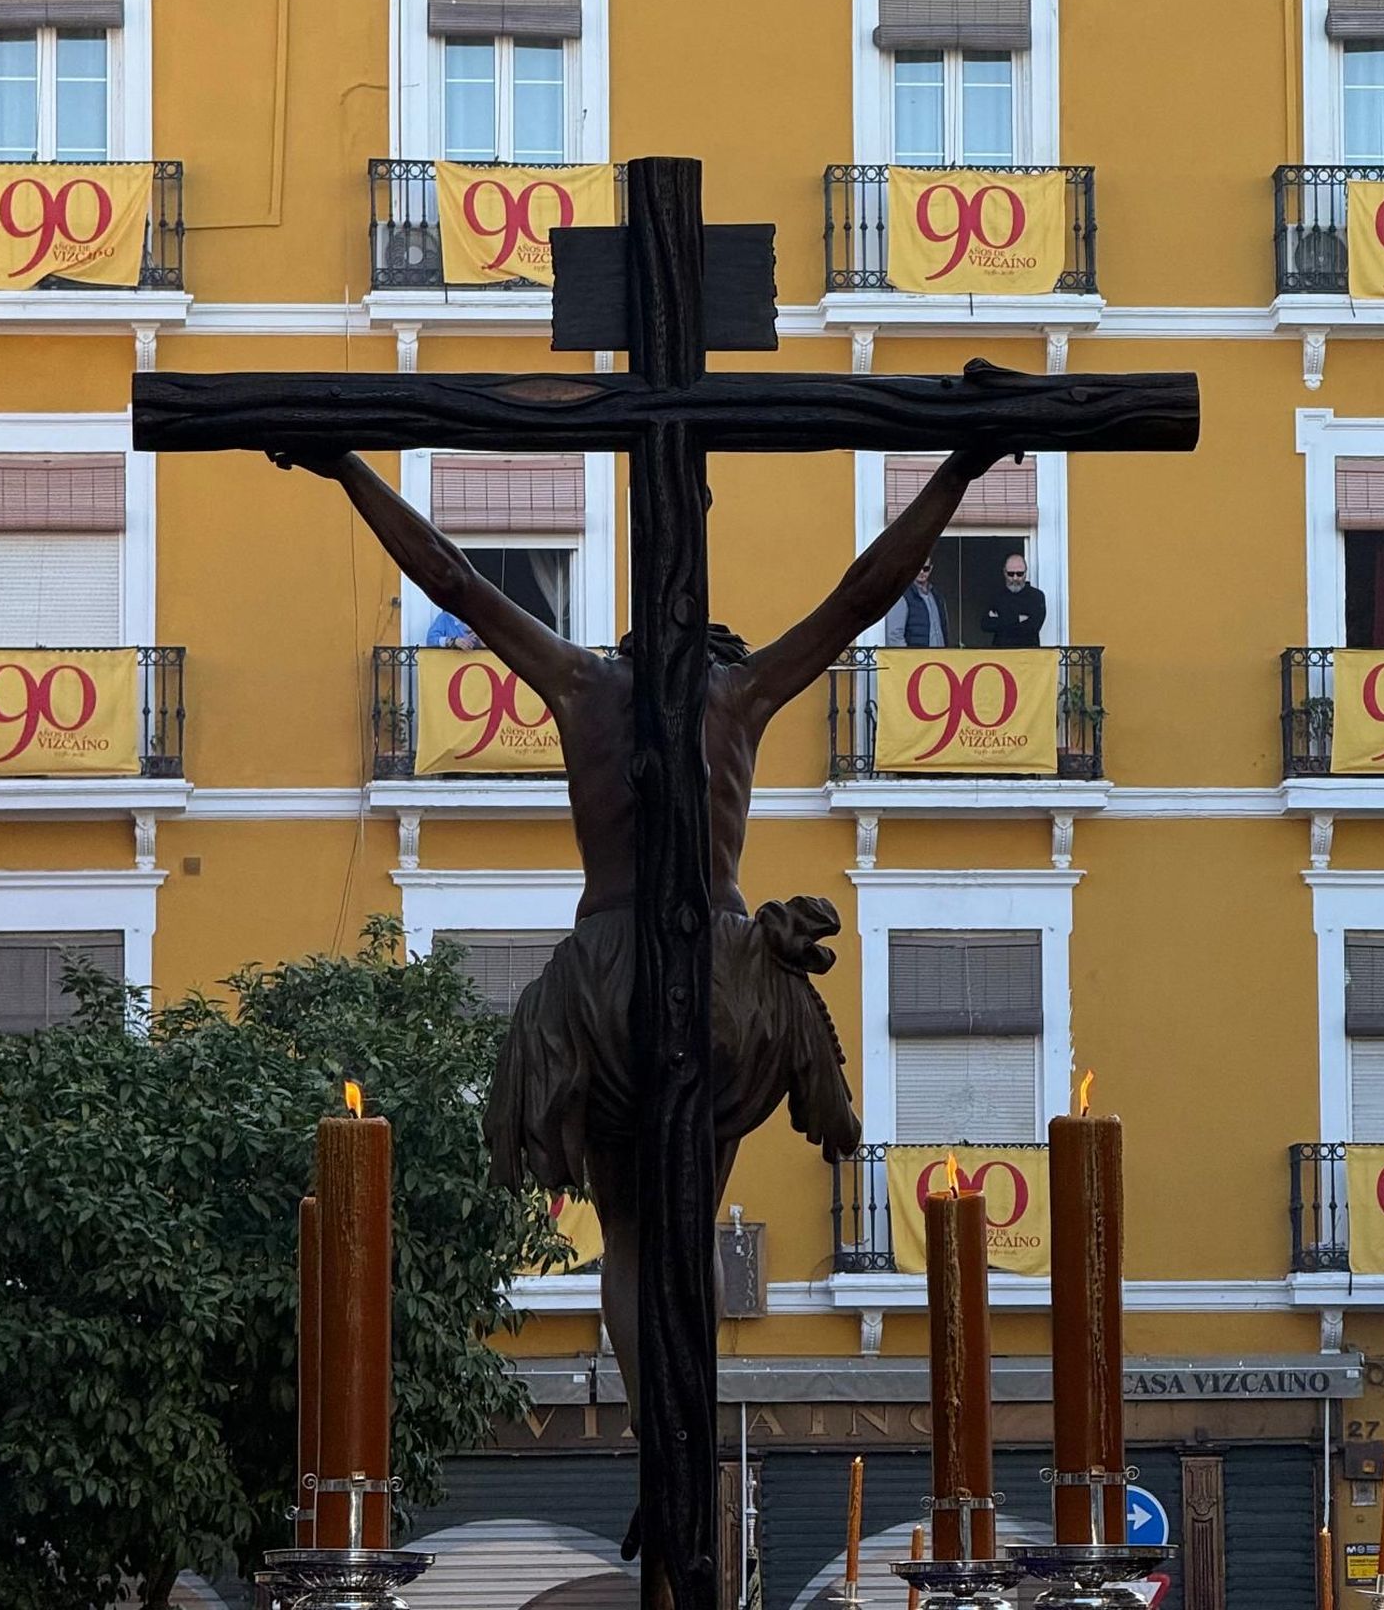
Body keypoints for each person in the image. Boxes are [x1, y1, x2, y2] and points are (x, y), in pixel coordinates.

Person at [268, 440, 1017, 1472]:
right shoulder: (742, 694)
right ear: (708, 637)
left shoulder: (583, 687)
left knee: (626, 1232)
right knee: (690, 1221)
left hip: (607, 976)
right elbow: (862, 593)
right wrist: (959, 470)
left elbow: (448, 573)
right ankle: (690, 1434)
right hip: (723, 970)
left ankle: (652, 1438)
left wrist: (349, 469)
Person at [980, 553, 1047, 648]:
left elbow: (1033, 627)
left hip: (1029, 656)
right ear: (1004, 572)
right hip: (1001, 655)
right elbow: (985, 625)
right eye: (1010, 574)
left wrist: (1000, 620)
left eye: (1019, 574)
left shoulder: (1036, 597)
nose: (1015, 578)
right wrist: (1017, 619)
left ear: (1025, 573)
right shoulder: (996, 596)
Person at [884, 554, 949, 646]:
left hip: (938, 658)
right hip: (916, 658)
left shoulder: (936, 596)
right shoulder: (902, 596)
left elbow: (942, 631)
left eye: (925, 568)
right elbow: (895, 636)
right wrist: (907, 659)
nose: (921, 572)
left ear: (931, 568)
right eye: (917, 567)